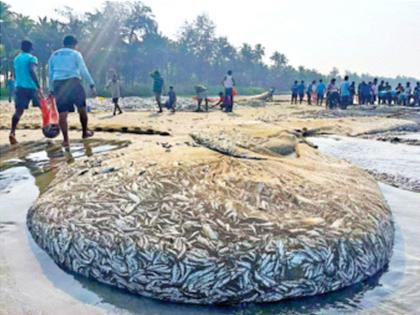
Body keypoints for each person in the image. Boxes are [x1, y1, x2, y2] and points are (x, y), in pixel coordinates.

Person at [48, 35, 96, 148]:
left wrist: (51, 89)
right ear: (74, 45)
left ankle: (66, 140)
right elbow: (83, 70)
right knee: (82, 109)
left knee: (63, 114)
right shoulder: (75, 54)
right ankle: (84, 132)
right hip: (73, 83)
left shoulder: (54, 55)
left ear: (63, 44)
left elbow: (50, 74)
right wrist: (91, 84)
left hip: (58, 84)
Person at [9, 40, 41, 145]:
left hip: (19, 87)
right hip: (31, 87)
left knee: (19, 111)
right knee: (43, 107)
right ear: (31, 48)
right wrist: (38, 86)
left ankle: (12, 132)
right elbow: (32, 71)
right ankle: (49, 127)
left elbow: (15, 73)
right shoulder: (32, 58)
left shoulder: (16, 59)